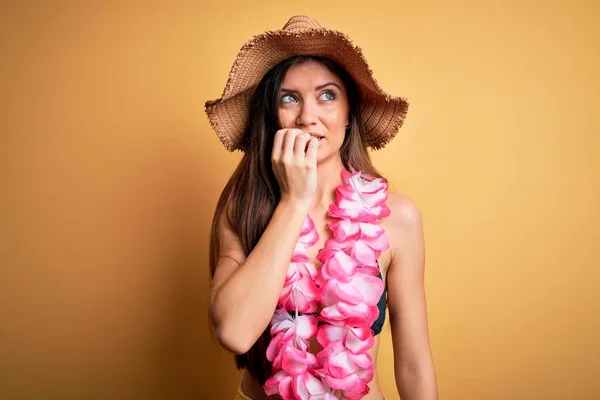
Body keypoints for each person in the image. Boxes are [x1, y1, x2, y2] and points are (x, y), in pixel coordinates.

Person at [206, 15, 438, 400]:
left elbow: (414, 364)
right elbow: (234, 331)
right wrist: (294, 202)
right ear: (272, 116)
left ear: (350, 115)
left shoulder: (397, 218)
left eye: (327, 95)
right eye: (289, 98)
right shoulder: (244, 207)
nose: (307, 117)